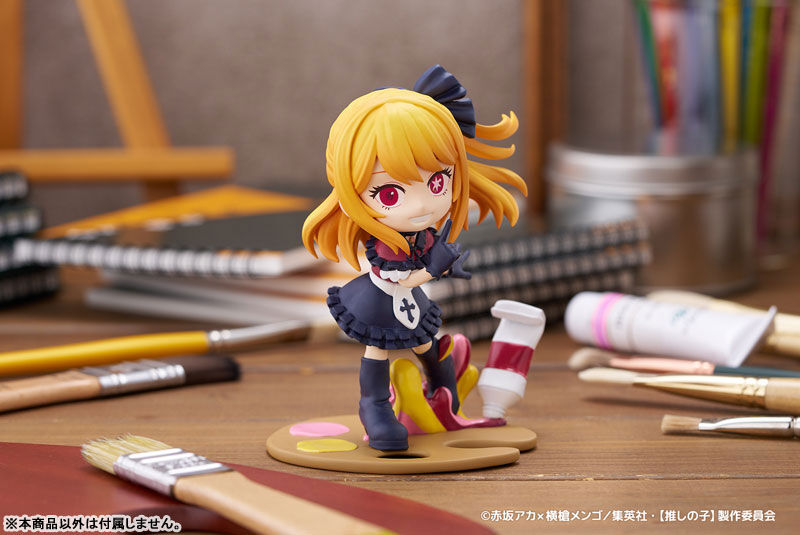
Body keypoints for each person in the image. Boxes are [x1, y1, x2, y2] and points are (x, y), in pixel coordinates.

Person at [302, 65, 527, 450]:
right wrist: (434, 269)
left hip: (411, 303)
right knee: (379, 349)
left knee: (427, 344)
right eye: (390, 193)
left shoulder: (422, 235)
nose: (423, 205)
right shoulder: (387, 244)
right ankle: (375, 406)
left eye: (438, 181)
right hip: (379, 301)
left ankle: (443, 389)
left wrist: (445, 264)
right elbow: (398, 279)